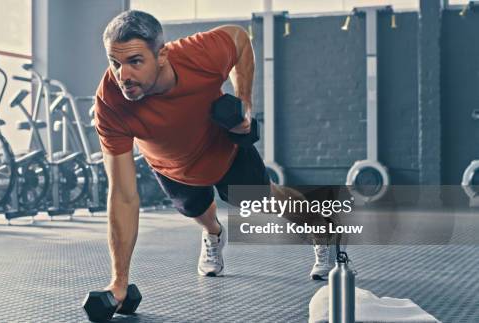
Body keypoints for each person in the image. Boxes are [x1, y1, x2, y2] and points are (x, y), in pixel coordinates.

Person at [93, 10, 336, 303]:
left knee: (267, 199)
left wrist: (245, 101)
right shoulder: (110, 103)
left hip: (224, 150)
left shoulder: (199, 55)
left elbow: (240, 39)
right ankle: (214, 235)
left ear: (162, 56)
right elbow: (122, 195)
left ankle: (320, 229)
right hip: (173, 168)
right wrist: (119, 281)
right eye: (115, 63)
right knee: (198, 214)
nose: (123, 76)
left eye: (135, 62)